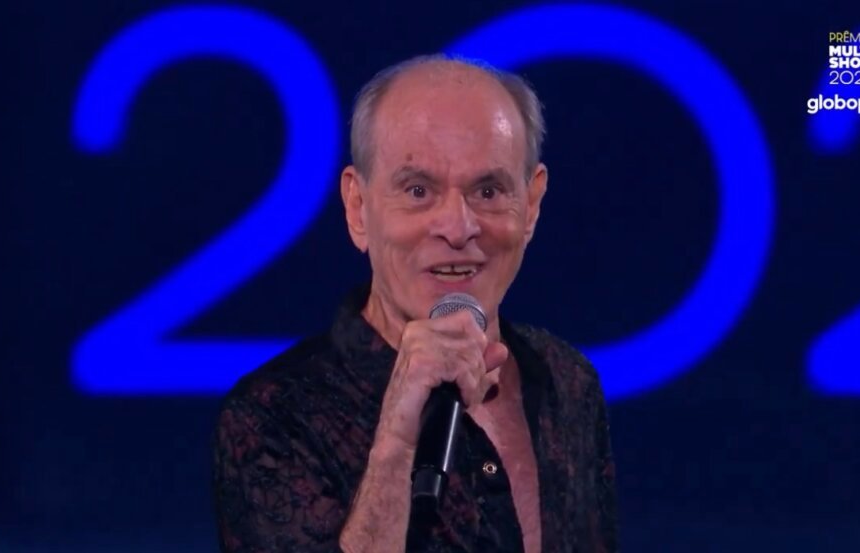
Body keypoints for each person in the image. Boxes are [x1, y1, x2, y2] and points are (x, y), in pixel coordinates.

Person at [212, 54, 618, 552]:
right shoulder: (273, 417)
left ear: (530, 205)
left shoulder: (567, 381)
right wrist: (396, 444)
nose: (458, 228)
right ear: (358, 207)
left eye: (489, 190)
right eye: (419, 190)